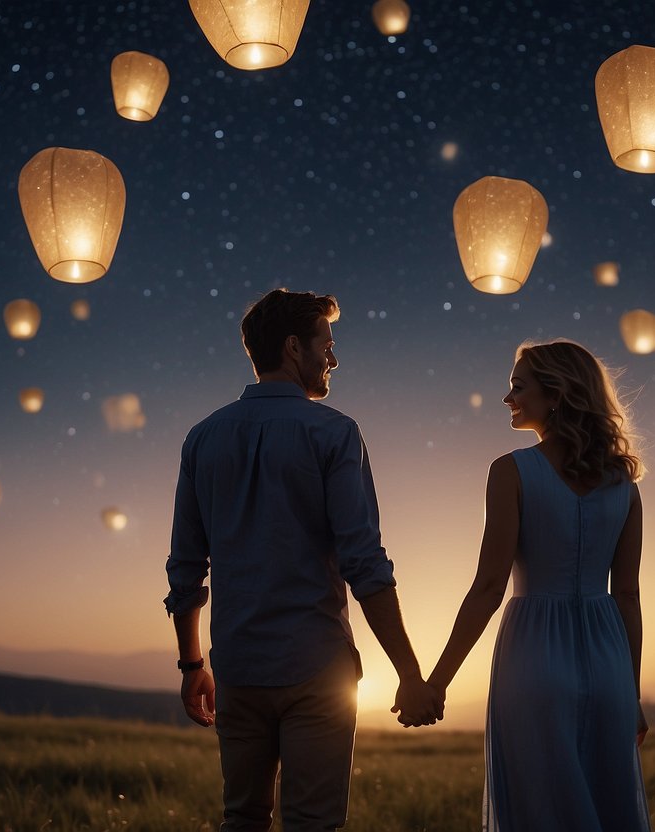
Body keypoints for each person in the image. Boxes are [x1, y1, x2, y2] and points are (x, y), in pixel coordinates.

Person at [165, 288, 443, 832]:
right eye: (327, 345)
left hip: (239, 667)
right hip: (317, 668)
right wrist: (409, 674)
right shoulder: (334, 433)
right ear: (294, 348)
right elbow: (364, 563)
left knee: (241, 819)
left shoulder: (202, 439)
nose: (333, 359)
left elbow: (185, 568)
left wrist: (193, 665)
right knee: (314, 824)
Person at [424, 339, 651, 831]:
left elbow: (488, 588)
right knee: (610, 807)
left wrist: (436, 683)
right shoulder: (624, 486)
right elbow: (627, 596)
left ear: (556, 395)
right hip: (609, 662)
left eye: (518, 386)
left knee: (539, 813)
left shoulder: (511, 471)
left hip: (533, 659)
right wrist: (629, 694)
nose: (508, 397)